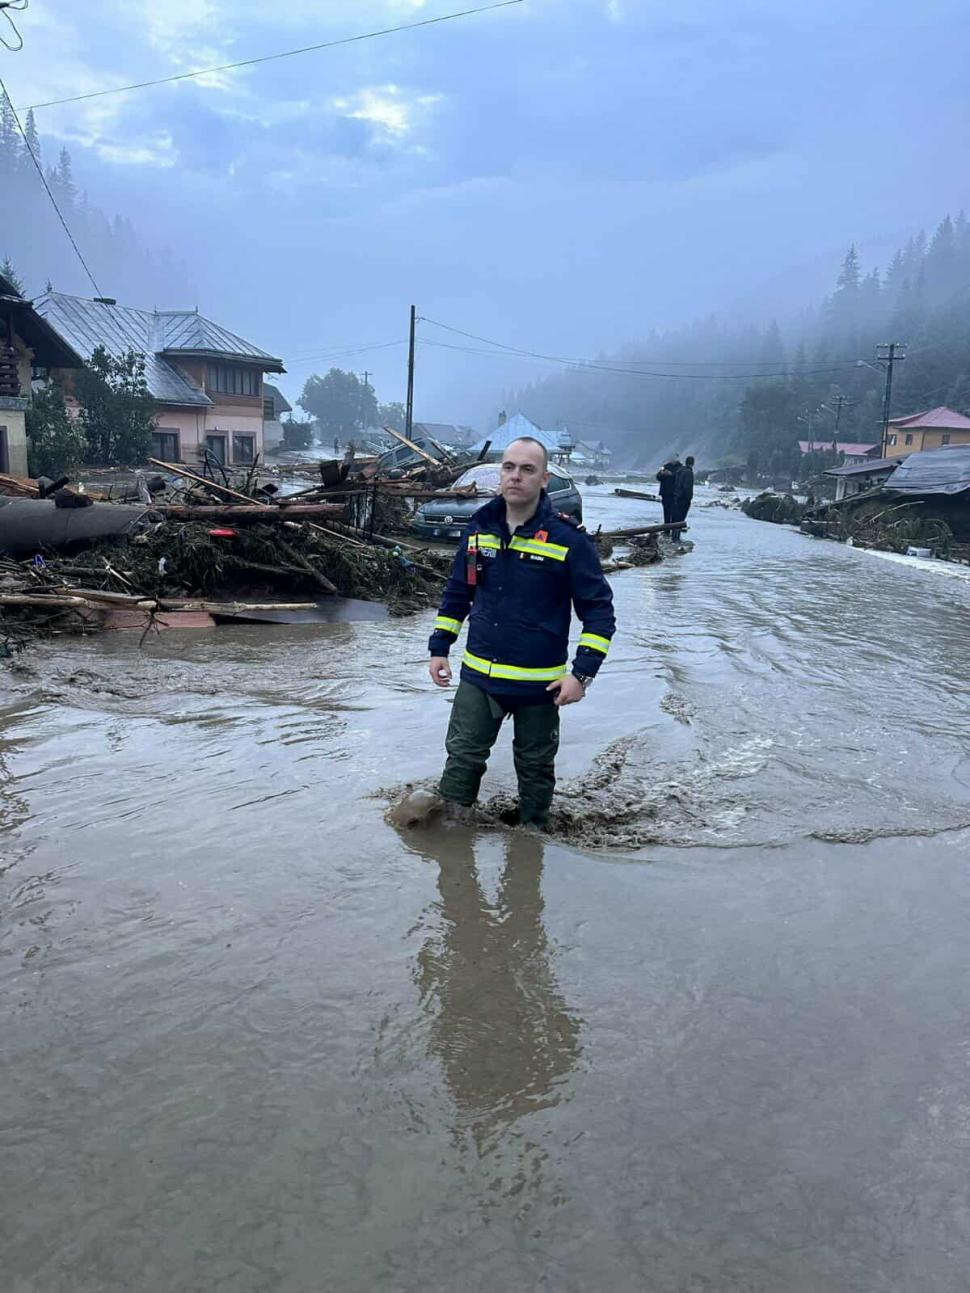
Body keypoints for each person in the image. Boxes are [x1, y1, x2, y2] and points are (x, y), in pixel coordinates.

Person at [428, 436, 616, 829]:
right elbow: (458, 592)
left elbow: (598, 613)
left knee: (535, 774)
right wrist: (440, 647)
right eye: (509, 467)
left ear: (544, 479)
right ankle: (449, 853)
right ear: (501, 473)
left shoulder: (568, 540)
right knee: (460, 765)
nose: (516, 477)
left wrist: (581, 675)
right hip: (479, 677)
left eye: (527, 469)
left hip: (540, 686)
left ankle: (531, 853)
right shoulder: (479, 528)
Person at [656, 457, 682, 525]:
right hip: (665, 493)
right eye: (672, 458)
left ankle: (674, 527)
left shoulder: (680, 468)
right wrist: (662, 474)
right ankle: (666, 528)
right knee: (666, 511)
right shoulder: (665, 467)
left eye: (675, 458)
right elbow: (658, 477)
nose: (673, 460)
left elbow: (680, 478)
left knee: (674, 512)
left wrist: (671, 474)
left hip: (675, 493)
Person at [672, 454, 695, 525]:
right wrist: (689, 498)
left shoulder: (679, 471)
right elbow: (687, 487)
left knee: (675, 518)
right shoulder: (689, 472)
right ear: (693, 463)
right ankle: (676, 535)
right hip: (683, 498)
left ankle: (673, 534)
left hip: (676, 496)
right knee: (680, 519)